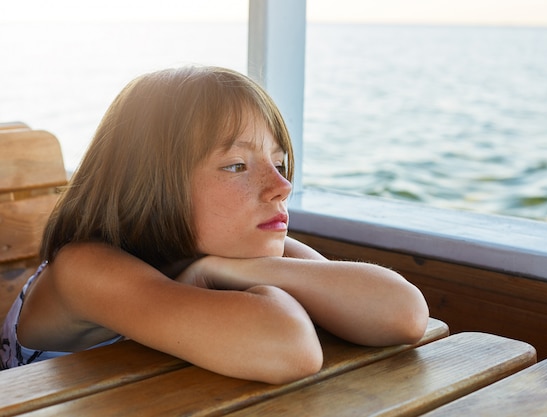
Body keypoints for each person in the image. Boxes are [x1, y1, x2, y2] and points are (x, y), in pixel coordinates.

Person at [0, 66, 429, 383]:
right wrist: (221, 273)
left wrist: (224, 269)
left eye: (279, 162)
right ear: (149, 185)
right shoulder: (85, 268)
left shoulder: (231, 249)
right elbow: (288, 349)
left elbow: (404, 314)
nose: (281, 186)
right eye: (237, 165)